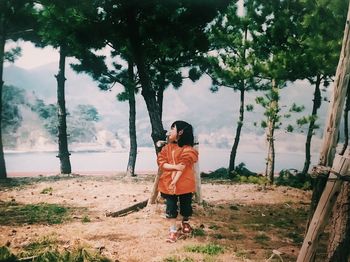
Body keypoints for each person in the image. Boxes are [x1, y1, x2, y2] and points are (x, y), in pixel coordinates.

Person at [157, 120, 199, 243]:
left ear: (180, 132)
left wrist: (174, 181)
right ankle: (173, 230)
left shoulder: (188, 150)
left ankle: (185, 223)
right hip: (169, 184)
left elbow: (183, 166)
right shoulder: (166, 149)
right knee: (171, 207)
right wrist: (174, 169)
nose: (169, 132)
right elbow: (162, 163)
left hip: (184, 184)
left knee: (186, 206)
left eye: (172, 129)